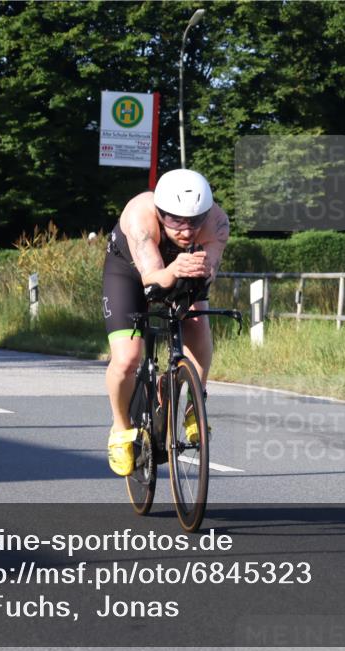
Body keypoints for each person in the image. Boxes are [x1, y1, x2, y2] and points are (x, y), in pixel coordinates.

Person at [101, 169, 230, 476]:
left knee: (197, 324)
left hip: (181, 269)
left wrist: (201, 269)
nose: (187, 230)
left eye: (195, 221)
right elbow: (152, 280)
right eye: (175, 221)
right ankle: (120, 429)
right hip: (129, 273)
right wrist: (175, 269)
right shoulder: (139, 216)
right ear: (160, 213)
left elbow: (208, 269)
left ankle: (192, 407)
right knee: (127, 357)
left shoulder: (217, 221)